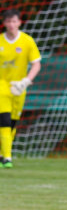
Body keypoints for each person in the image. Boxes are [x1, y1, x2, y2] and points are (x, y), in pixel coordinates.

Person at [0, 9, 41, 168]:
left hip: (19, 87)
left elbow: (36, 64)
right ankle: (7, 158)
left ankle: (2, 153)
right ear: (4, 23)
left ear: (19, 22)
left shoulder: (27, 41)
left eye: (14, 21)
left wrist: (26, 81)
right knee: (3, 120)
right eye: (8, 21)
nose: (11, 24)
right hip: (2, 86)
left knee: (12, 123)